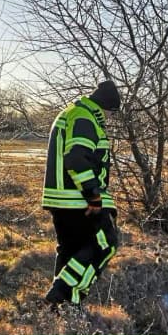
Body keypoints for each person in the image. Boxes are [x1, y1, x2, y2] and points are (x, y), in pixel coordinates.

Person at [41, 81, 121, 307]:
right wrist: (94, 196)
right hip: (76, 198)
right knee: (106, 243)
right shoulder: (85, 117)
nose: (109, 120)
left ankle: (61, 308)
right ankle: (61, 293)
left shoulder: (73, 112)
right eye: (111, 114)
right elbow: (76, 159)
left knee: (71, 250)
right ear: (107, 107)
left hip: (63, 199)